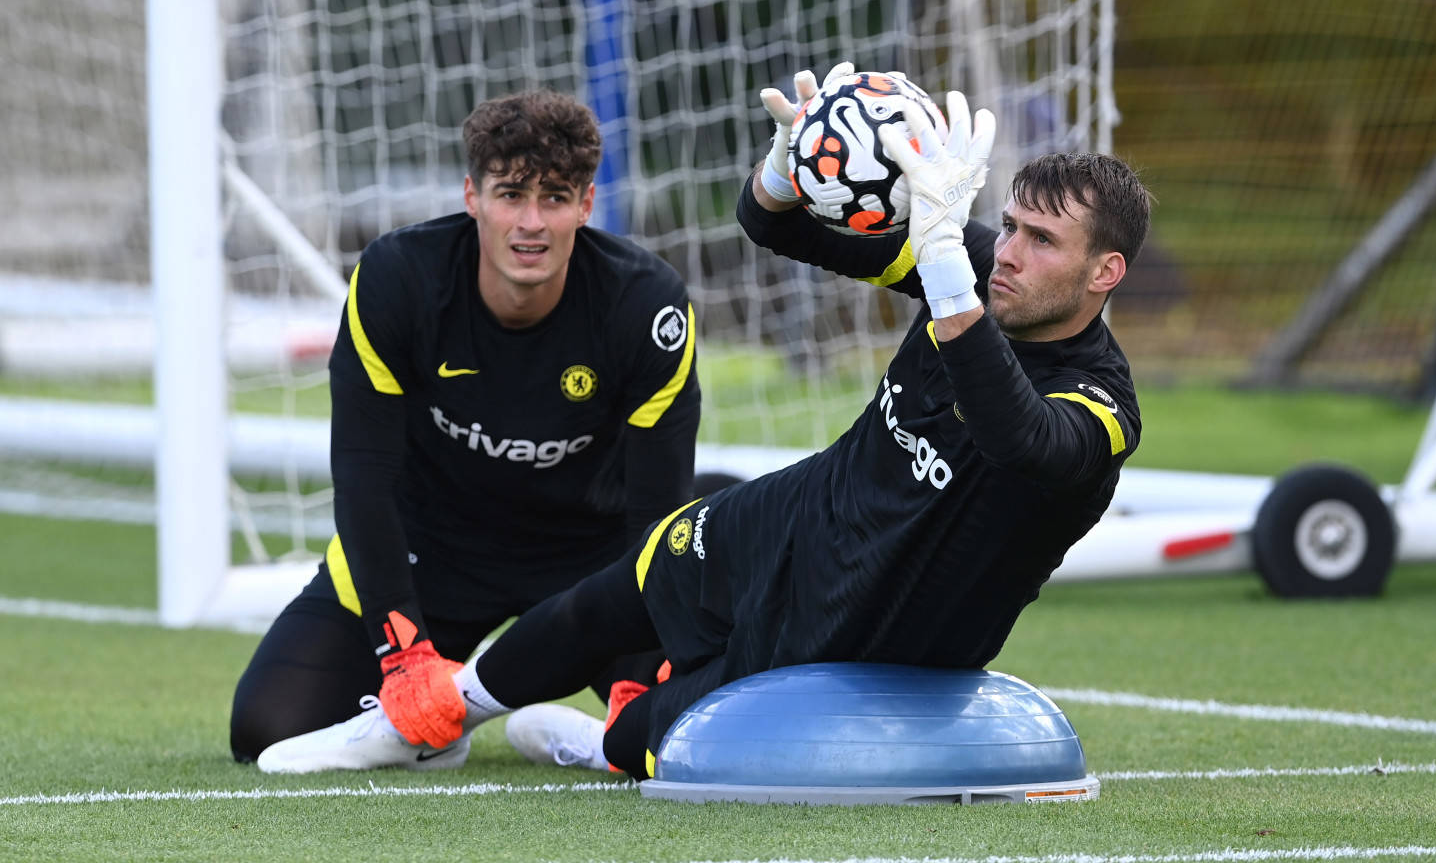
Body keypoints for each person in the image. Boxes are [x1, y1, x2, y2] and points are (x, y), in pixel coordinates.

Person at [255, 63, 1151, 779]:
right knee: (640, 574)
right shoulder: (975, 265)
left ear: (1104, 272)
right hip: (809, 511)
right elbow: (775, 229)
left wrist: (949, 263)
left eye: (1044, 242)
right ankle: (432, 717)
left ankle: (593, 741)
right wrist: (787, 165)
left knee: (648, 738)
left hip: (886, 608)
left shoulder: (1099, 405)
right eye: (1013, 226)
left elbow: (1015, 436)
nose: (1013, 254)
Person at [230, 89, 701, 768]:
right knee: (267, 726)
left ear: (587, 206)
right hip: (433, 549)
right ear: (471, 196)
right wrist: (403, 652)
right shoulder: (397, 280)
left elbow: (657, 510)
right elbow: (364, 475)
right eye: (510, 194)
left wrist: (645, 664)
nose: (530, 223)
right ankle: (432, 724)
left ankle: (577, 736)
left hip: (588, 563)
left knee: (684, 731)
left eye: (556, 198)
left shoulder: (646, 307)